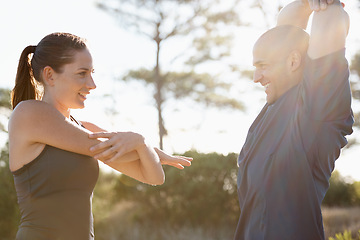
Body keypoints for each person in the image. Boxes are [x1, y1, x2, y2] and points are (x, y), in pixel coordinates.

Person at [8, 32, 192, 240]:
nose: (92, 84)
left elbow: (154, 177)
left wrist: (143, 144)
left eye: (92, 73)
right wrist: (142, 145)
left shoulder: (86, 128)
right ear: (50, 75)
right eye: (82, 73)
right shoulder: (29, 113)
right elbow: (103, 149)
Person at [234, 0, 353, 239]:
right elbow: (287, 28)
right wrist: (308, 2)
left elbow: (330, 18)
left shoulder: (318, 110)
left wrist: (325, 4)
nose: (256, 78)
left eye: (263, 66)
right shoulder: (273, 109)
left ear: (293, 62)